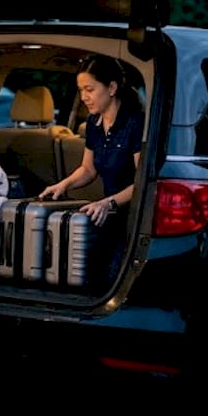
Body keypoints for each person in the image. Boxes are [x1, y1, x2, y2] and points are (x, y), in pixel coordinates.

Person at [40, 53, 143, 291]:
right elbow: (88, 169)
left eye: (89, 89)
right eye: (80, 90)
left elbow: (142, 182)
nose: (84, 97)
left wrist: (108, 203)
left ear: (112, 87)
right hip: (106, 214)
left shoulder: (135, 124)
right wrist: (63, 185)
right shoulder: (94, 125)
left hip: (132, 216)